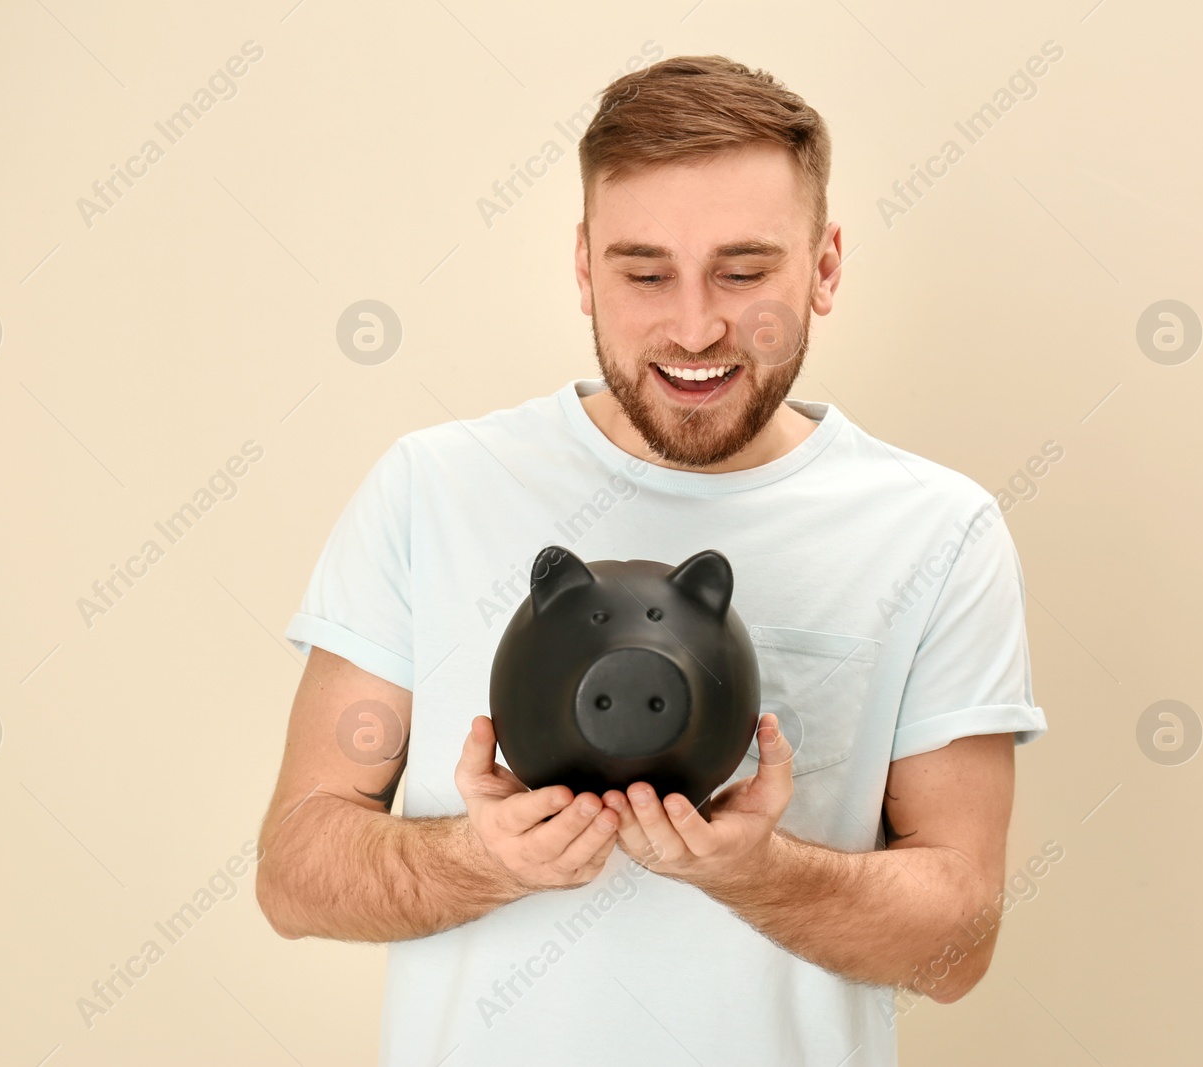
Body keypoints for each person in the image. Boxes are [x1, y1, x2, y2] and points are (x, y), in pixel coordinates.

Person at [255, 54, 1047, 1067]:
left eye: (744, 271)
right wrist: (478, 856)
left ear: (826, 267)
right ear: (583, 267)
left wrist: (756, 868)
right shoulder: (433, 487)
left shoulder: (939, 531)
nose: (693, 326)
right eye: (643, 273)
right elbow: (294, 872)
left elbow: (956, 944)